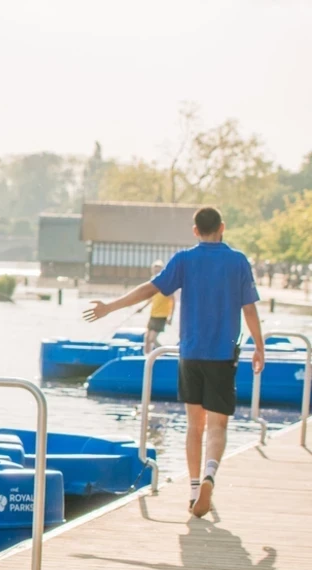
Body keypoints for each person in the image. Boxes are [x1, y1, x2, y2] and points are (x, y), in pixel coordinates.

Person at [83, 207, 263, 518]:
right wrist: (259, 347)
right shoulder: (238, 261)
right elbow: (249, 310)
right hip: (222, 356)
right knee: (218, 426)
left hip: (190, 354)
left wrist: (110, 306)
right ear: (223, 227)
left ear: (195, 231)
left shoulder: (183, 260)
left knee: (195, 425)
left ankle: (194, 491)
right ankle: (209, 474)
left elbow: (149, 289)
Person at [142, 261, 175, 354]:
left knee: (152, 339)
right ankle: (146, 357)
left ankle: (165, 353)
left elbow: (173, 300)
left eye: (158, 268)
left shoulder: (167, 283)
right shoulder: (152, 282)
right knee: (147, 338)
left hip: (162, 315)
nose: (156, 270)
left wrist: (170, 317)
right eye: (155, 268)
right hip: (153, 314)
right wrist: (142, 308)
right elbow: (151, 298)